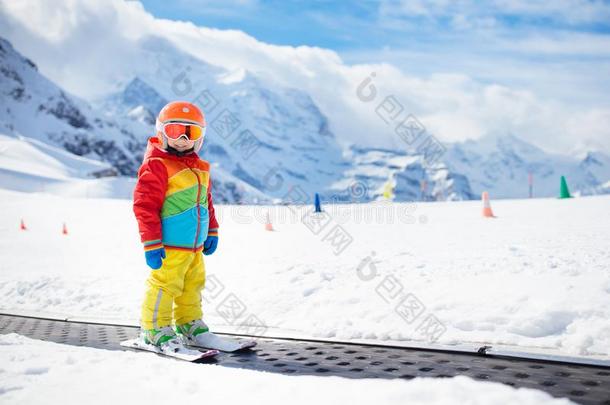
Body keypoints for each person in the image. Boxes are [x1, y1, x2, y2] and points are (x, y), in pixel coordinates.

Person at [133, 100, 219, 348]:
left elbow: (207, 202)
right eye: (174, 130)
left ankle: (188, 323)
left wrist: (212, 230)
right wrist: (151, 243)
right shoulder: (157, 165)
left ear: (199, 137)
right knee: (165, 286)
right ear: (161, 132)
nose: (182, 138)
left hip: (193, 248)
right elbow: (144, 206)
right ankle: (154, 328)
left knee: (192, 286)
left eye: (190, 132)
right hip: (169, 244)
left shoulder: (200, 168)